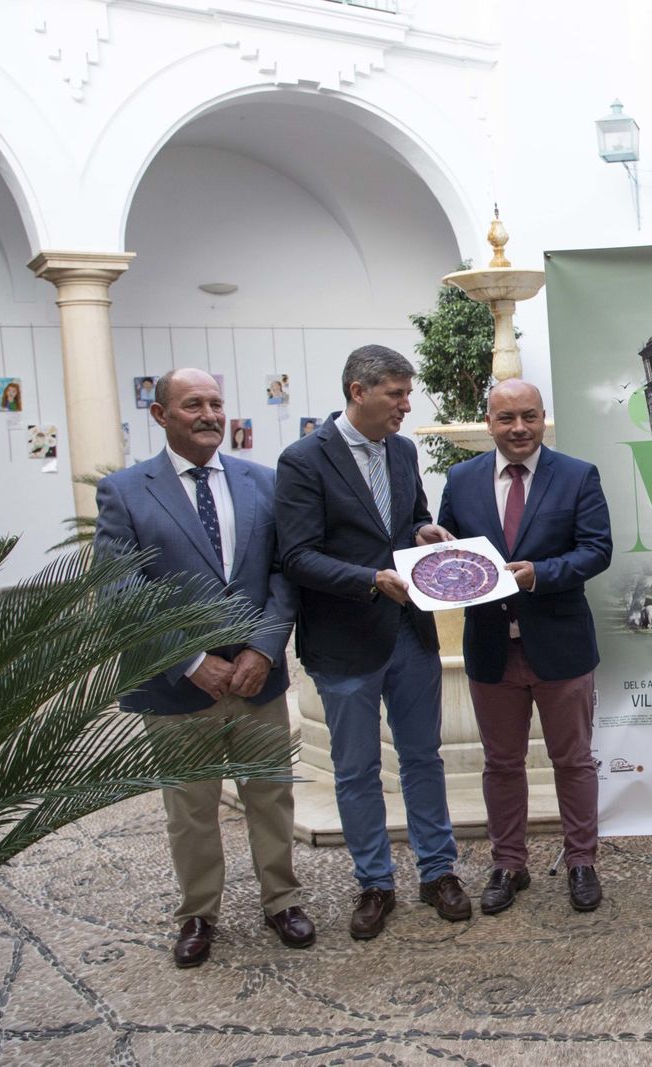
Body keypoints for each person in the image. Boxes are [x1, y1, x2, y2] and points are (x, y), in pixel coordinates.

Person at [93, 368, 311, 968]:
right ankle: (197, 914)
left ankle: (283, 900)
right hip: (174, 685)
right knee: (191, 808)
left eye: (216, 403)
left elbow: (281, 575)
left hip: (254, 675)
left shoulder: (262, 482)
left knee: (270, 795)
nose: (210, 414)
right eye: (194, 405)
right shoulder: (125, 491)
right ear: (161, 415)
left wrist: (262, 649)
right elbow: (120, 590)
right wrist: (190, 660)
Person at [275, 344, 469, 939]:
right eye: (396, 394)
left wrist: (425, 530)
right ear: (358, 392)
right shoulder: (303, 461)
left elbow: (409, 515)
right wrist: (370, 581)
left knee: (422, 759)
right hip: (344, 643)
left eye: (408, 395)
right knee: (356, 770)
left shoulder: (403, 451)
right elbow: (296, 555)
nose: (406, 407)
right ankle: (374, 883)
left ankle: (438, 873)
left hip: (411, 636)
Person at [434, 379, 613, 914]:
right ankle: (509, 865)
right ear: (488, 421)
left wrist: (540, 575)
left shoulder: (577, 475)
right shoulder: (461, 479)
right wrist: (433, 543)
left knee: (574, 761)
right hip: (491, 648)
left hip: (560, 645)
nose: (518, 429)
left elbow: (597, 550)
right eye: (506, 418)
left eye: (529, 417)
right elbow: (452, 548)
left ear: (543, 418)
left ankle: (582, 860)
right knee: (501, 764)